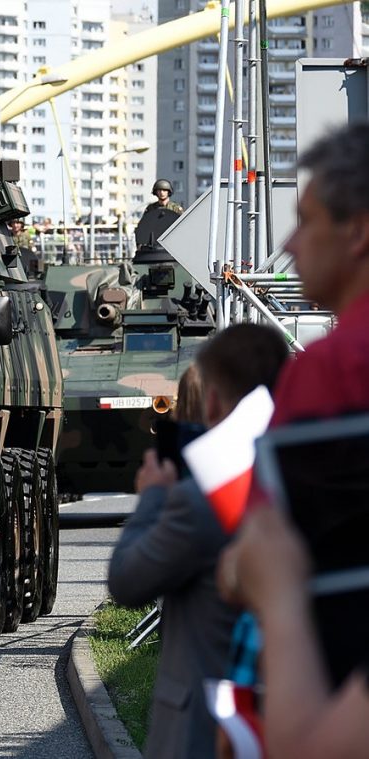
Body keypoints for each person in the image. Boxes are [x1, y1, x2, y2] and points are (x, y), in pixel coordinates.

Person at [215, 121, 369, 758]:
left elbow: (261, 558)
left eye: (306, 220)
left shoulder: (330, 370)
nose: (289, 243)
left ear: (357, 231)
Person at [108, 323, 289, 759]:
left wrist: (153, 497)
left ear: (211, 401)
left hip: (206, 728)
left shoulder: (202, 500)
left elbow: (127, 581)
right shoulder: (295, 477)